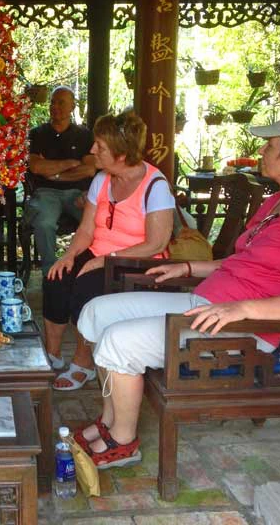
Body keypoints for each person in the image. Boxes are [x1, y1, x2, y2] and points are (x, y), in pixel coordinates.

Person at [74, 112, 280, 469]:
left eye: (270, 145)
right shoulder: (276, 203)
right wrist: (189, 267)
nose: (261, 151)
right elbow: (243, 261)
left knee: (118, 341)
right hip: (209, 302)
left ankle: (123, 441)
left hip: (243, 327)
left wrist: (243, 309)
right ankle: (110, 420)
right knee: (97, 311)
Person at [46, 110, 175, 391]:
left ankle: (83, 364)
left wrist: (106, 260)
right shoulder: (102, 179)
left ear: (121, 154)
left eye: (100, 146)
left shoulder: (155, 185)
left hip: (138, 262)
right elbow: (86, 230)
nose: (92, 150)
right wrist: (69, 255)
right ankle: (51, 356)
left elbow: (156, 243)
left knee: (86, 289)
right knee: (57, 278)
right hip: (100, 252)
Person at [25, 86, 96, 276]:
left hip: (77, 193)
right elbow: (36, 167)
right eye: (53, 102)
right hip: (46, 193)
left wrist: (55, 173)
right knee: (44, 223)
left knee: (96, 221)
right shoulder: (38, 134)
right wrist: (71, 163)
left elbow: (90, 169)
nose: (55, 106)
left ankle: (86, 268)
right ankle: (49, 272)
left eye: (61, 102)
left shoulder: (84, 135)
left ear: (72, 106)